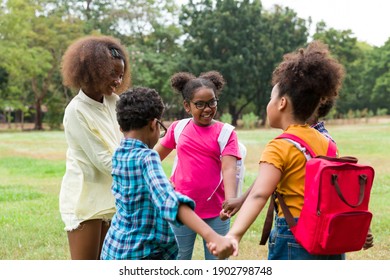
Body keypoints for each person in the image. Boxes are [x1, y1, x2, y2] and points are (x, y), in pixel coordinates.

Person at [210, 41, 350, 260]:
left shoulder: (279, 146)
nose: (269, 104)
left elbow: (260, 194)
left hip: (295, 238)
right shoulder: (327, 142)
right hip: (327, 237)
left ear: (282, 103)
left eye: (270, 98)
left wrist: (234, 235)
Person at [100, 87, 236, 260]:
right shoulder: (147, 157)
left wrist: (162, 184)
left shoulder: (119, 153)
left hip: (115, 247)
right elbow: (170, 202)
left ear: (121, 127)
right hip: (142, 253)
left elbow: (137, 190)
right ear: (153, 124)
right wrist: (213, 236)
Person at [154, 71, 241, 260]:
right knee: (179, 258)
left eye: (212, 102)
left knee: (217, 260)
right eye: (199, 104)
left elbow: (229, 168)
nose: (207, 109)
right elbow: (152, 158)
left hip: (216, 212)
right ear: (187, 106)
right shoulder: (178, 128)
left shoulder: (226, 133)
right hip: (182, 209)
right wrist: (162, 183)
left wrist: (230, 200)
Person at [59, 35, 131, 260]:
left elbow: (128, 142)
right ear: (93, 70)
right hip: (85, 201)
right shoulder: (76, 111)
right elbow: (105, 162)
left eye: (121, 75)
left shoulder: (114, 102)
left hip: (112, 198)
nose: (118, 81)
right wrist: (144, 170)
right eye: (113, 74)